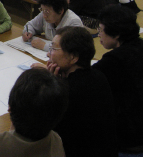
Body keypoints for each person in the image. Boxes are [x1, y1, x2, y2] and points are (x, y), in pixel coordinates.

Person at [32, 26, 117, 157]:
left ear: (73, 57)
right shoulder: (98, 76)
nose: (49, 54)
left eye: (54, 48)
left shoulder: (67, 92)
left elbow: (42, 130)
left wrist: (51, 86)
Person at [92, 6, 143, 155]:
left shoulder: (114, 60)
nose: (99, 34)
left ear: (116, 34)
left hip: (129, 137)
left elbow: (90, 80)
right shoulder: (139, 45)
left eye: (101, 30)